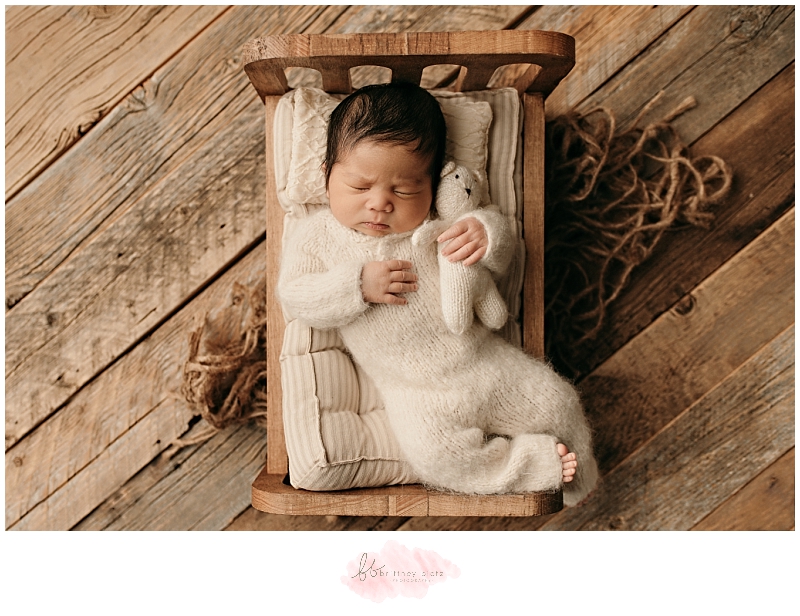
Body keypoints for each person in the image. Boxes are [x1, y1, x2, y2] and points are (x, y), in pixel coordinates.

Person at [277, 82, 598, 505]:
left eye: (404, 189)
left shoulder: (439, 221)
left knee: (558, 401)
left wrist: (484, 233)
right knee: (439, 458)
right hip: (416, 393)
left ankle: (582, 485)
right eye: (359, 186)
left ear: (431, 185)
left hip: (484, 362)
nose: (380, 203)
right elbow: (295, 295)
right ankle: (531, 464)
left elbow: (503, 253)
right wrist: (356, 284)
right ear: (326, 174)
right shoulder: (318, 236)